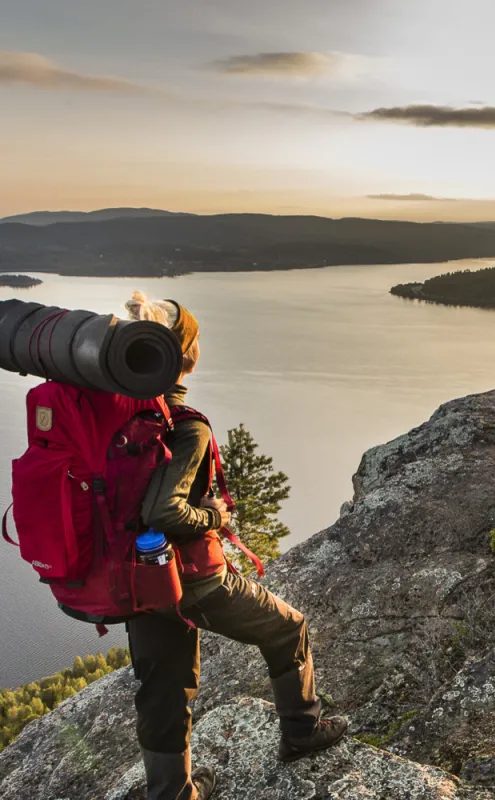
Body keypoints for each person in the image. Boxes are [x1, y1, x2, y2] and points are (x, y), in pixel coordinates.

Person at [124, 292, 347, 800]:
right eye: (194, 338)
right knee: (288, 628)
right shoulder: (185, 426)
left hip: (138, 575)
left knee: (163, 686)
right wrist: (217, 514)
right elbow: (164, 512)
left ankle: (170, 791)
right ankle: (302, 733)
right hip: (193, 578)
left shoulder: (121, 417)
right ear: (182, 355)